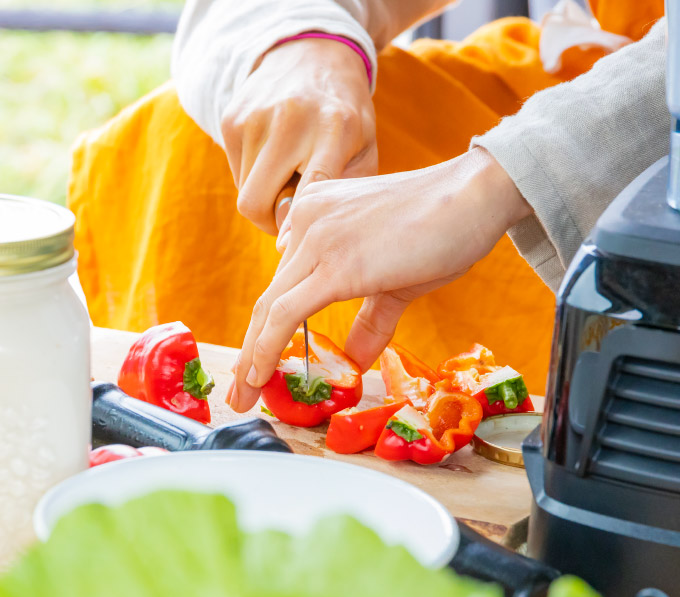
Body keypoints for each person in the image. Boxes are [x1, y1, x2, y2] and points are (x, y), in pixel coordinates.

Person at [68, 0, 665, 410]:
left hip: (645, 136)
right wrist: (302, 44)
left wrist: (494, 180)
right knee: (193, 139)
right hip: (565, 82)